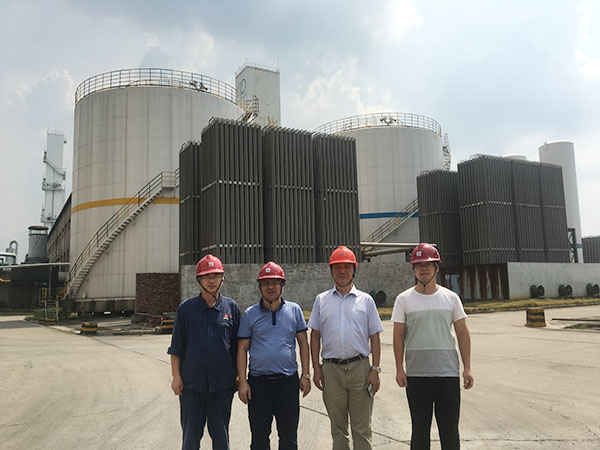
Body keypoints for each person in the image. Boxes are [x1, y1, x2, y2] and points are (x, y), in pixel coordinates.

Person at [392, 243, 474, 450]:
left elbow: (462, 333)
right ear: (413, 269)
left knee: (450, 432)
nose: (423, 269)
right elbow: (398, 335)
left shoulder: (451, 298)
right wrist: (399, 368)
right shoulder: (403, 300)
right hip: (417, 375)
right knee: (420, 431)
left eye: (428, 264)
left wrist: (467, 367)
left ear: (437, 267)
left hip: (447, 374)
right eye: (419, 265)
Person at [308, 246, 383, 450]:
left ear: (354, 270)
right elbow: (315, 335)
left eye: (347, 267)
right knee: (338, 429)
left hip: (360, 370)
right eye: (337, 267)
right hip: (331, 371)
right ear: (331, 270)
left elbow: (375, 336)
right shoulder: (321, 300)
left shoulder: (366, 301)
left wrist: (375, 370)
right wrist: (316, 369)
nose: (342, 271)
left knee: (362, 428)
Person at [168, 254, 240, 450]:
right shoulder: (186, 309)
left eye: (215, 276)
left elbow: (238, 348)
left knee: (221, 439)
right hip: (192, 385)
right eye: (207, 277)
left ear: (222, 278)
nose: (211, 281)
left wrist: (239, 377)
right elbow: (176, 347)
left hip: (221, 385)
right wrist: (176, 377)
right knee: (190, 440)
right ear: (199, 280)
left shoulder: (231, 308)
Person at [237, 261, 311, 450]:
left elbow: (303, 343)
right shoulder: (250, 314)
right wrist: (243, 381)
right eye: (266, 283)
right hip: (258, 385)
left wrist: (306, 374)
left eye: (275, 283)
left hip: (287, 383)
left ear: (282, 285)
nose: (270, 287)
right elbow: (242, 348)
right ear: (260, 286)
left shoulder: (294, 310)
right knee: (259, 439)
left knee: (288, 438)